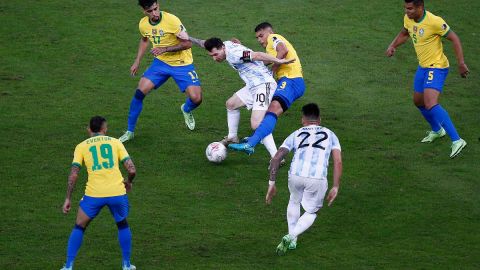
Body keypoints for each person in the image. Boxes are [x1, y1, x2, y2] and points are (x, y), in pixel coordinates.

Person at [188, 36, 295, 160]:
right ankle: (232, 137)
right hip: (252, 85)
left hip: (263, 85)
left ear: (222, 47)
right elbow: (203, 43)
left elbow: (257, 55)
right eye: (211, 55)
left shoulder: (234, 54)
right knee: (231, 104)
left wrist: (279, 61)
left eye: (216, 54)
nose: (214, 58)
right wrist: (188, 37)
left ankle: (277, 157)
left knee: (257, 124)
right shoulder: (225, 44)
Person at [386, 0, 469, 158]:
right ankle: (438, 130)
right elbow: (405, 33)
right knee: (418, 102)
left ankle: (457, 140)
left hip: (437, 66)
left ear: (420, 7)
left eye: (410, 8)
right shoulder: (408, 18)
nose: (407, 11)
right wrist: (393, 45)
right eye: (405, 8)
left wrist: (461, 63)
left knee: (431, 102)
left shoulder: (435, 22)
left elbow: (455, 39)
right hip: (423, 66)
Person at [119, 0, 203, 142]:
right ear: (144, 11)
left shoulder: (172, 20)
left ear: (158, 4)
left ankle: (186, 109)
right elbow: (145, 40)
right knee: (139, 93)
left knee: (197, 99)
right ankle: (129, 131)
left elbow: (187, 43)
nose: (154, 13)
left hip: (182, 64)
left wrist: (164, 49)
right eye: (149, 11)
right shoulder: (143, 24)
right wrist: (137, 61)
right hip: (161, 63)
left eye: (155, 9)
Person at [60, 116, 137, 270]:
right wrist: (129, 182)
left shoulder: (81, 146)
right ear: (105, 129)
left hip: (93, 195)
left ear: (89, 129)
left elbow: (74, 175)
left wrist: (68, 198)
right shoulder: (116, 142)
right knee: (122, 224)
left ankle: (68, 266)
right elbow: (132, 169)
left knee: (79, 226)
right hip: (117, 192)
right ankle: (126, 265)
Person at [265, 103, 342, 256]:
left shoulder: (297, 133)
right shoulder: (331, 134)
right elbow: (338, 161)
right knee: (312, 211)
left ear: (303, 120)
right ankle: (291, 236)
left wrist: (271, 184)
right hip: (317, 178)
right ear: (319, 119)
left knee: (294, 201)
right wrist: (335, 186)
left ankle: (292, 239)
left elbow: (276, 158)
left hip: (295, 175)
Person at [228, 22, 305, 155]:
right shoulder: (270, 50)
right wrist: (240, 48)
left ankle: (251, 144)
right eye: (257, 38)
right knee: (270, 110)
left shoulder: (273, 38)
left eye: (261, 36)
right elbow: (259, 61)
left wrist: (274, 68)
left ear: (268, 32)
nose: (259, 40)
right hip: (288, 80)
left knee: (273, 109)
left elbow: (283, 50)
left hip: (291, 79)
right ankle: (255, 139)